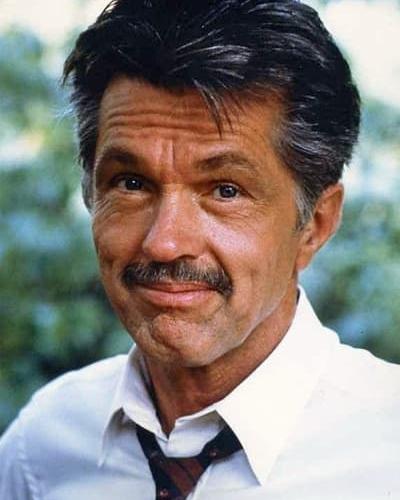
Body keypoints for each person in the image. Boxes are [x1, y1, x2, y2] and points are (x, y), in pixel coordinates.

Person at [1, 0, 399, 498]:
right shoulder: (42, 450)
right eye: (131, 183)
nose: (165, 243)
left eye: (225, 191)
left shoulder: (387, 452)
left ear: (315, 225)